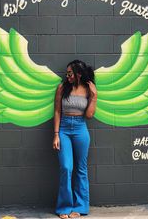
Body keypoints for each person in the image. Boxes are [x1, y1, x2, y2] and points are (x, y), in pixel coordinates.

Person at [53, 60, 97, 219]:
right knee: (66, 167)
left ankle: (80, 207)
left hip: (80, 129)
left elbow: (89, 115)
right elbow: (57, 111)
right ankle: (64, 207)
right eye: (67, 73)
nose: (67, 76)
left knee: (81, 169)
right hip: (64, 129)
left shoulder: (88, 89)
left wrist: (94, 96)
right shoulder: (62, 88)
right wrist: (56, 134)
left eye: (70, 73)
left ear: (79, 74)